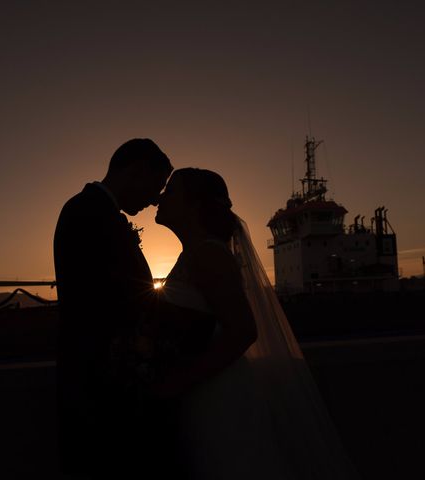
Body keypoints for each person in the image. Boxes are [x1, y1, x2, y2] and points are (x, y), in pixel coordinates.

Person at [153, 168, 359, 479]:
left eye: (170, 191)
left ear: (194, 205)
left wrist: (179, 381)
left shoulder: (209, 256)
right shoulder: (194, 254)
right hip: (202, 390)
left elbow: (243, 331)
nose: (160, 197)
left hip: (215, 395)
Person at [53, 138, 173, 479]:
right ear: (135, 172)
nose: (155, 199)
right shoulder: (87, 212)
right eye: (156, 185)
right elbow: (101, 304)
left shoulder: (95, 211)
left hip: (104, 383)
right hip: (99, 388)